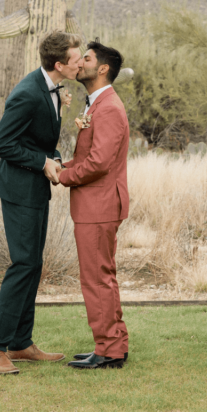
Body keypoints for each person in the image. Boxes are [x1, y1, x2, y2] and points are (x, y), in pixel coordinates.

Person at [0, 31, 83, 375]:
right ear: (59, 65)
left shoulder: (51, 88)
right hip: (18, 192)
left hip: (36, 191)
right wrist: (43, 163)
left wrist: (55, 159)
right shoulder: (28, 93)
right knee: (23, 264)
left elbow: (34, 139)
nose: (81, 63)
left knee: (33, 265)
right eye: (76, 59)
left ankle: (21, 343)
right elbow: (0, 144)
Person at [58, 40, 130, 370]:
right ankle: (111, 345)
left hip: (98, 206)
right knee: (101, 276)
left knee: (96, 278)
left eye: (85, 59)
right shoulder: (95, 106)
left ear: (102, 69)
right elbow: (88, 155)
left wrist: (64, 177)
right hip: (94, 206)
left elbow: (99, 162)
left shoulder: (110, 108)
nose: (79, 64)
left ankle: (109, 350)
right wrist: (65, 165)